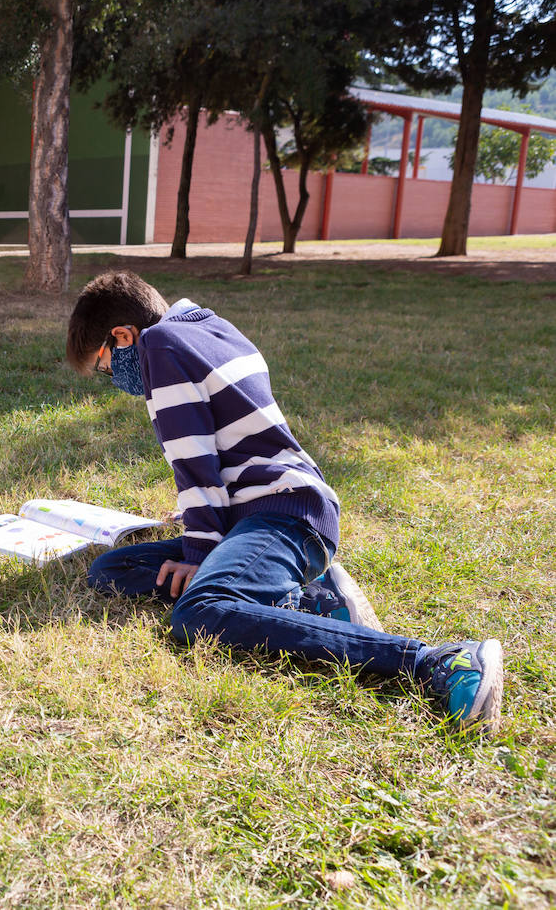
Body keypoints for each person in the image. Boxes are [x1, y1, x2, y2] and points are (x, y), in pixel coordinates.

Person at [66, 270, 504, 733]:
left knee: (200, 611)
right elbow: (227, 448)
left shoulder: (159, 348)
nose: (113, 377)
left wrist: (197, 553)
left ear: (122, 336)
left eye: (105, 365)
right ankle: (314, 600)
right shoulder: (208, 327)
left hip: (283, 512)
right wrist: (200, 531)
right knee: (112, 572)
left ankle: (437, 660)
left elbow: (194, 464)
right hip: (267, 511)